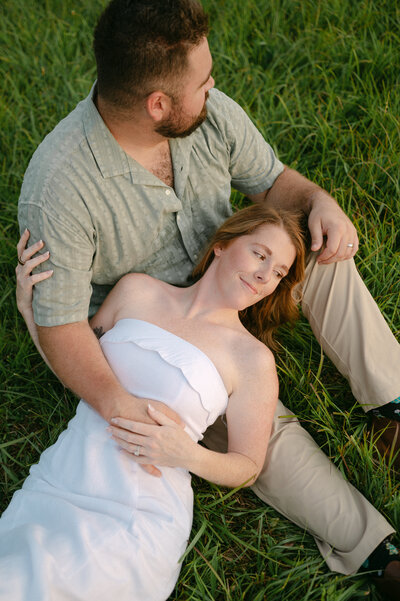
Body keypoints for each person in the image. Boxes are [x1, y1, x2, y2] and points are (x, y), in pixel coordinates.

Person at [16, 0, 400, 594]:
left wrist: (318, 198)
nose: (213, 87)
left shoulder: (208, 115)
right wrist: (128, 408)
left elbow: (275, 183)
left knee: (321, 252)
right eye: (202, 82)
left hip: (240, 263)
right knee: (257, 426)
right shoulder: (59, 186)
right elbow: (64, 327)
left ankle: (393, 405)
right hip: (165, 330)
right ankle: (376, 548)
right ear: (158, 104)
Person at [2, 206, 303, 600]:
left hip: (138, 510)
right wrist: (31, 311)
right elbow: (77, 371)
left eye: (279, 272)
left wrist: (187, 454)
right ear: (222, 246)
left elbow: (247, 467)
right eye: (260, 254)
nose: (265, 276)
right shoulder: (137, 291)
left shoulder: (252, 360)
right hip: (62, 479)